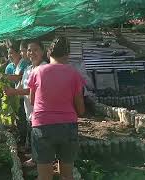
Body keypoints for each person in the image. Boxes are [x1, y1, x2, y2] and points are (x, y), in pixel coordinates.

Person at [28, 36, 85, 180]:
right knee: (66, 175)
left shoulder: (37, 72)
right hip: (68, 126)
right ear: (68, 55)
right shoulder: (74, 74)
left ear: (48, 53)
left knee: (44, 176)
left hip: (42, 126)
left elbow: (32, 101)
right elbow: (81, 109)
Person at [5, 39, 47, 167]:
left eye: (35, 50)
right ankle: (35, 155)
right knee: (33, 131)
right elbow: (23, 86)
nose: (31, 53)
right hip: (29, 106)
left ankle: (37, 160)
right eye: (29, 50)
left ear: (42, 51)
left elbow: (34, 89)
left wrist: (14, 92)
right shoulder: (29, 68)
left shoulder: (44, 68)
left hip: (40, 107)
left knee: (39, 133)